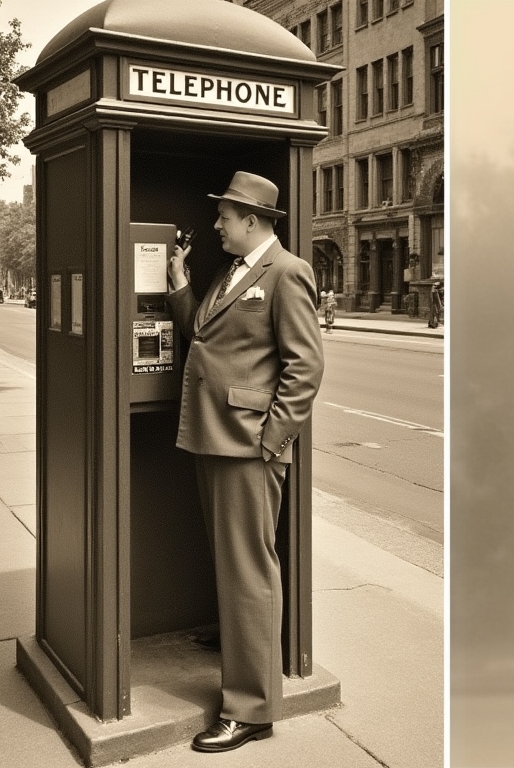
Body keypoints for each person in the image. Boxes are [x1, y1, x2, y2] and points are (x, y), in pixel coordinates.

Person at [167, 171, 324, 753]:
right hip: (214, 439)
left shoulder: (286, 273)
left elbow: (304, 368)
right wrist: (180, 284)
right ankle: (243, 657)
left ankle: (252, 710)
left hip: (246, 446)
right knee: (234, 571)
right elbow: (199, 337)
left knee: (250, 574)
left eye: (223, 217)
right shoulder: (229, 273)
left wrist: (271, 441)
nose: (216, 225)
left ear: (250, 219)